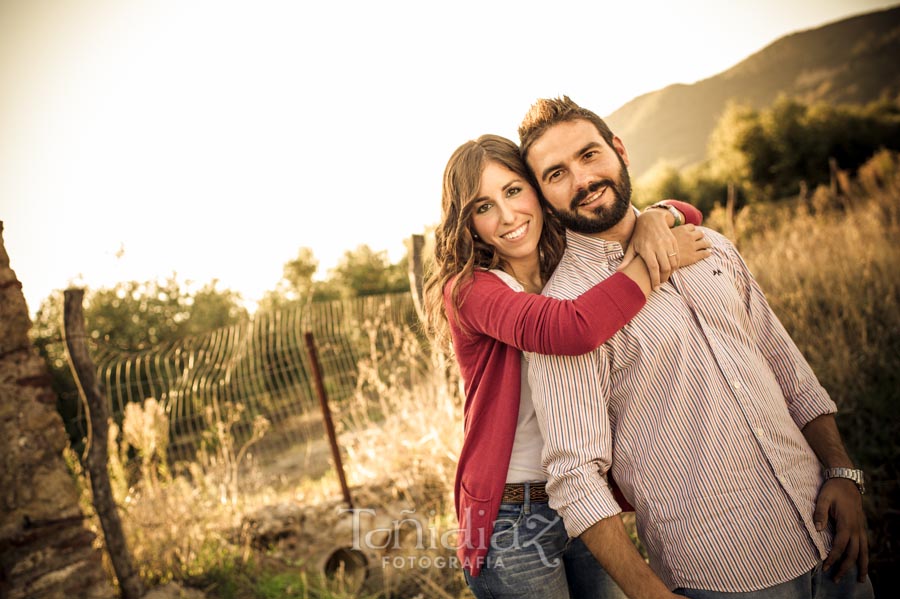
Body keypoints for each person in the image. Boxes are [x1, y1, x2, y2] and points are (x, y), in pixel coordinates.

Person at [519, 95, 874, 599]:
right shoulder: (565, 315)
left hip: (831, 534)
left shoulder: (711, 245)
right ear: (542, 195)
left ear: (619, 150)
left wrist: (843, 471)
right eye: (556, 174)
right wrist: (648, 592)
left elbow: (788, 370)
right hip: (725, 575)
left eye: (589, 155)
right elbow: (575, 477)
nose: (581, 180)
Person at [423, 133, 711, 599]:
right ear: (469, 224)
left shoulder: (567, 258)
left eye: (513, 191)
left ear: (538, 191)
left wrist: (657, 219)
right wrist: (659, 259)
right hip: (511, 519)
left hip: (584, 502)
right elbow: (570, 330)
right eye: (483, 206)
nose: (507, 216)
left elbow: (691, 213)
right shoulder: (470, 290)